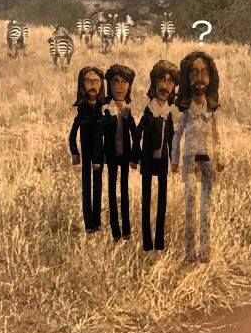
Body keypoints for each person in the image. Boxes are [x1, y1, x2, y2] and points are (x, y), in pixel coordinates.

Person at [172, 51, 224, 264]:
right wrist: (174, 159)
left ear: (211, 77)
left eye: (204, 73)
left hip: (207, 159)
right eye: (194, 73)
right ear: (187, 78)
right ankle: (189, 252)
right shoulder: (185, 110)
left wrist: (220, 157)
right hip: (189, 159)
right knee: (190, 205)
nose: (199, 78)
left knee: (206, 206)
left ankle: (205, 250)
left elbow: (217, 136)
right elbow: (177, 136)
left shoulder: (212, 111)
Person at [138, 60, 178, 252]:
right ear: (154, 84)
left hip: (162, 162)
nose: (166, 86)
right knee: (146, 200)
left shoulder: (169, 114)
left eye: (170, 82)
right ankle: (147, 241)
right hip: (146, 160)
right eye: (162, 80)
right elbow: (137, 134)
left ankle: (159, 242)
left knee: (162, 201)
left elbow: (171, 138)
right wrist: (133, 157)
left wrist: (174, 160)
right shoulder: (148, 112)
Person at [100, 64, 137, 241]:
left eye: (124, 82)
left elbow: (135, 135)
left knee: (124, 191)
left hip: (126, 155)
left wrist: (135, 157)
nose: (120, 86)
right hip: (111, 156)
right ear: (109, 84)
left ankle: (127, 229)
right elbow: (99, 135)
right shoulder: (106, 111)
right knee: (112, 192)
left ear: (129, 86)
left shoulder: (128, 112)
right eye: (116, 82)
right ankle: (115, 231)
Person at [69, 66, 106, 234]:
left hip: (100, 153)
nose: (92, 85)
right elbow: (72, 134)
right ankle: (89, 224)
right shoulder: (81, 112)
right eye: (89, 81)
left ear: (101, 85)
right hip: (85, 154)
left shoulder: (103, 111)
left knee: (97, 185)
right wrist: (75, 152)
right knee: (86, 185)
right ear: (82, 85)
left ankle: (97, 221)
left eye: (96, 81)